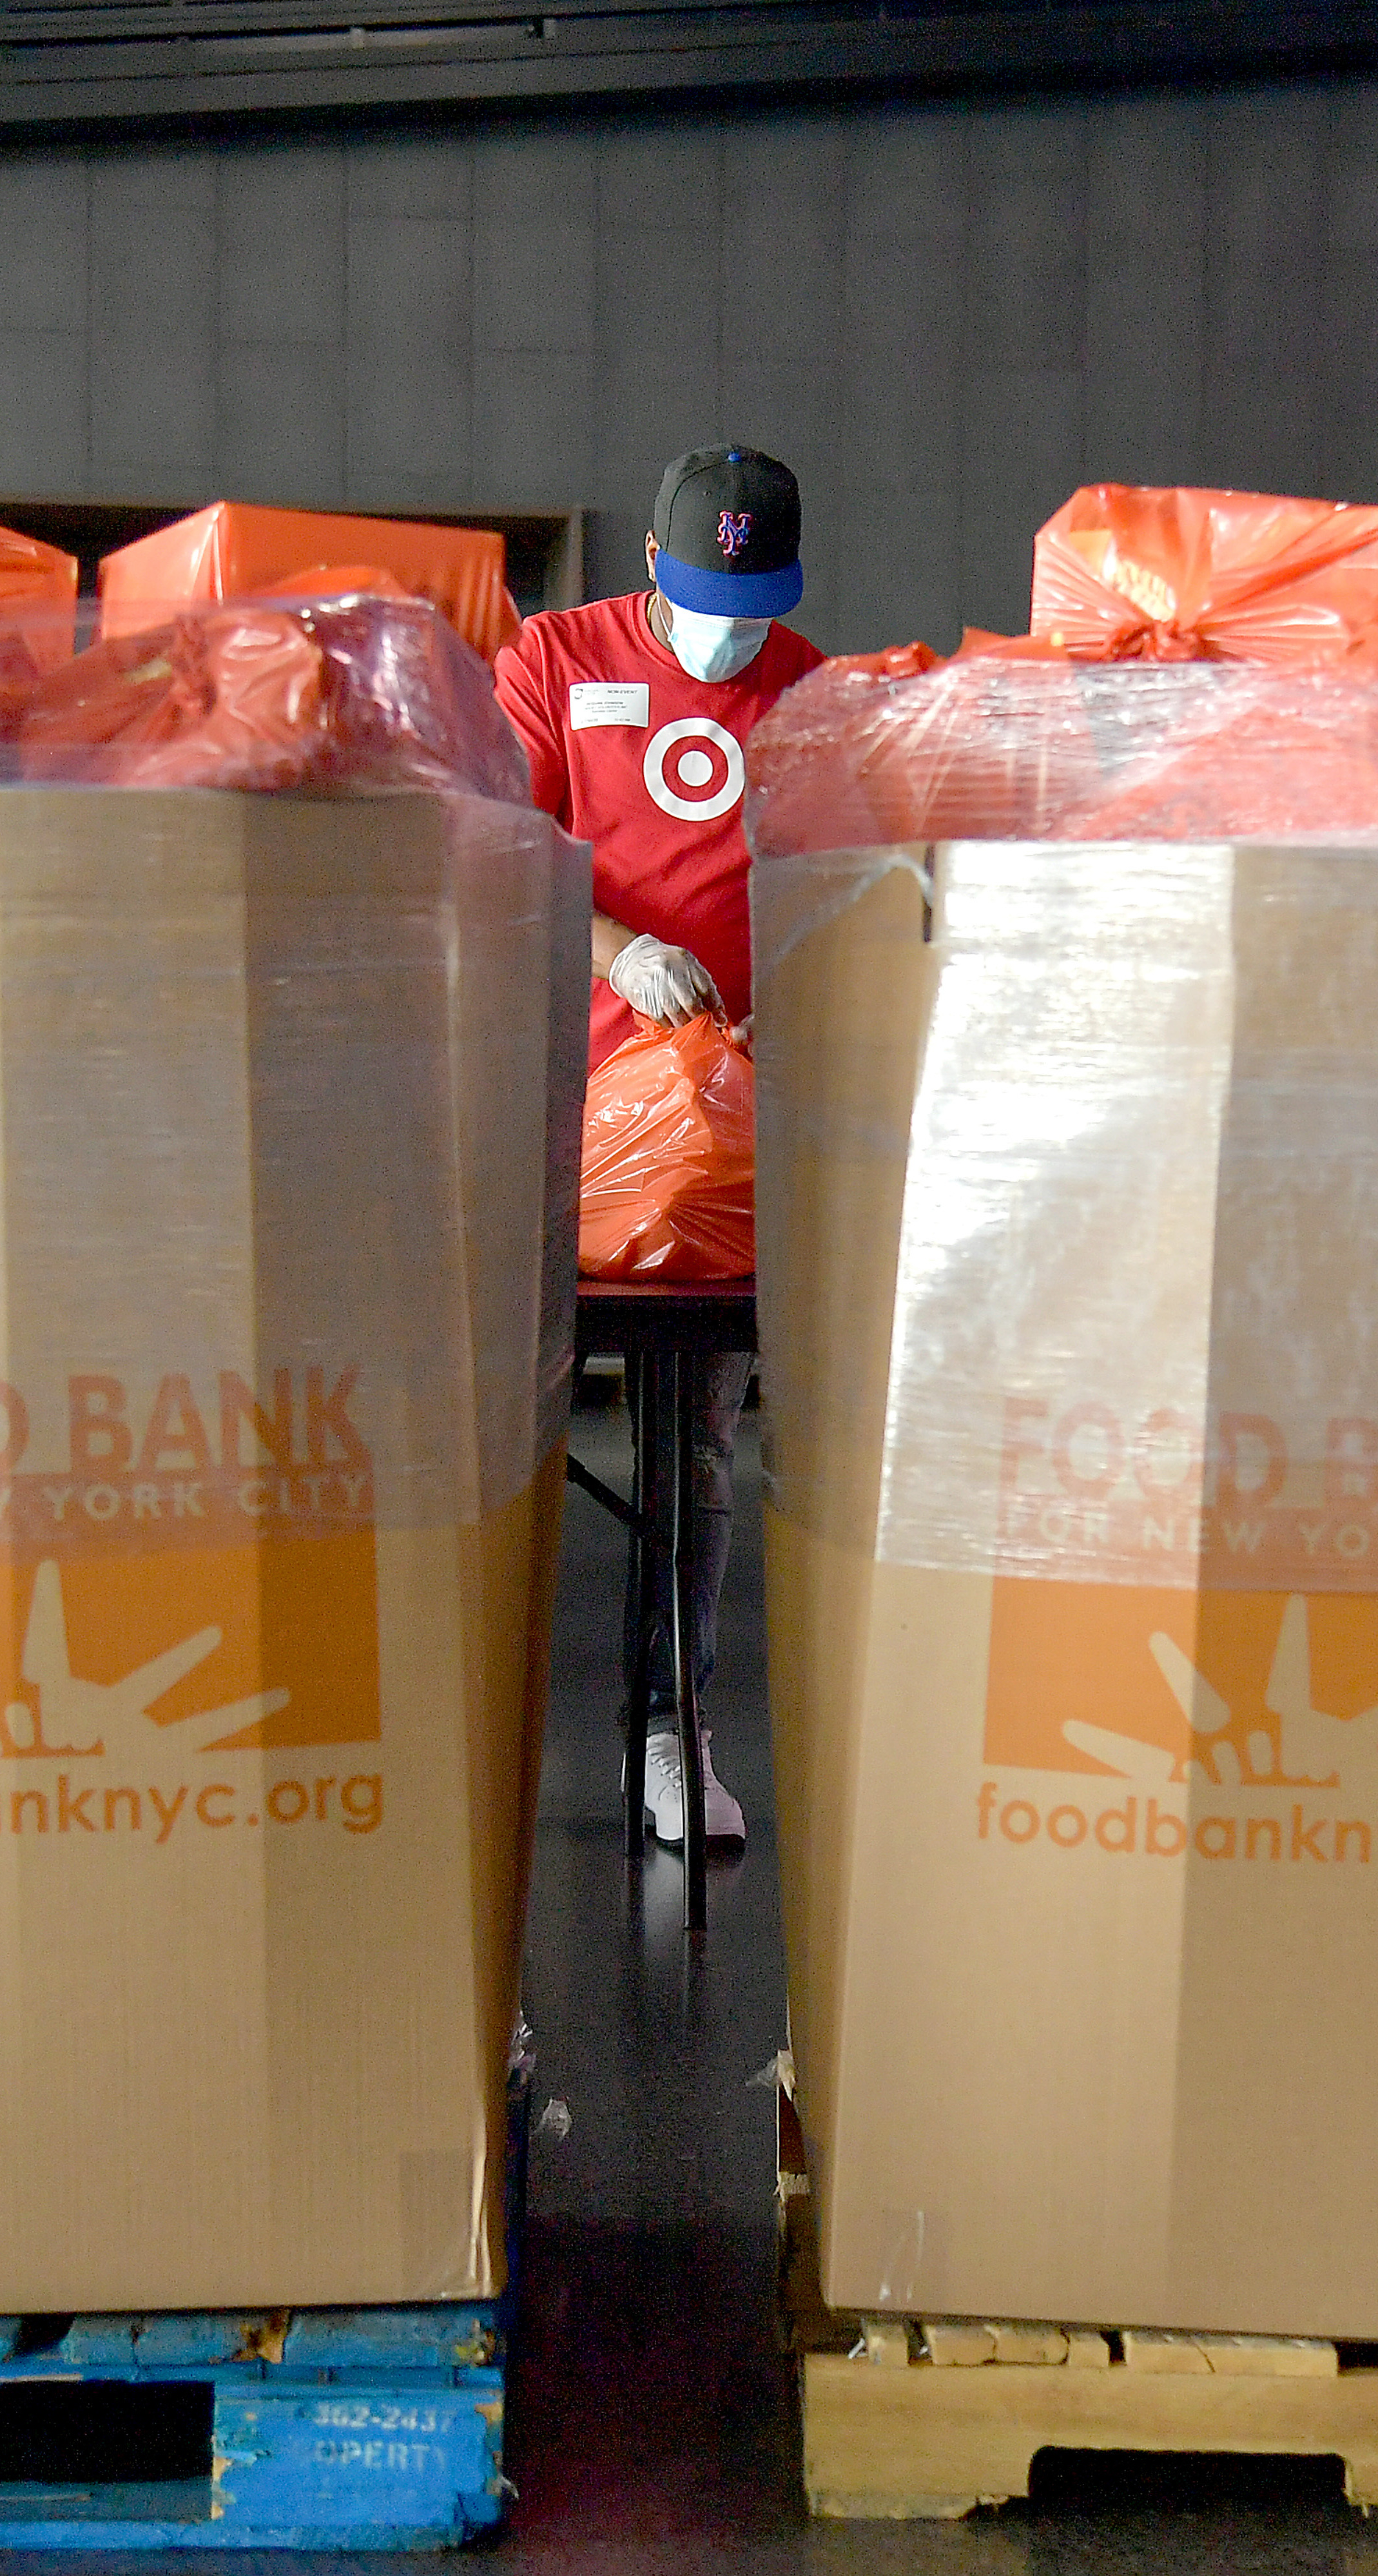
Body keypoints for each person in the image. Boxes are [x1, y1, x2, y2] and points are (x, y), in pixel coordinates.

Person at [495, 445, 823, 1851]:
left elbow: (837, 886)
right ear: (648, 565)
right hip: (565, 1120)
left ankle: (673, 1730)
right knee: (509, 1428)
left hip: (728, 1136)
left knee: (696, 1439)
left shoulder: (813, 693)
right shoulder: (555, 662)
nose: (728, 639)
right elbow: (501, 851)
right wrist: (618, 948)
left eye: (754, 612)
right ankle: (481, 1730)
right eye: (704, 606)